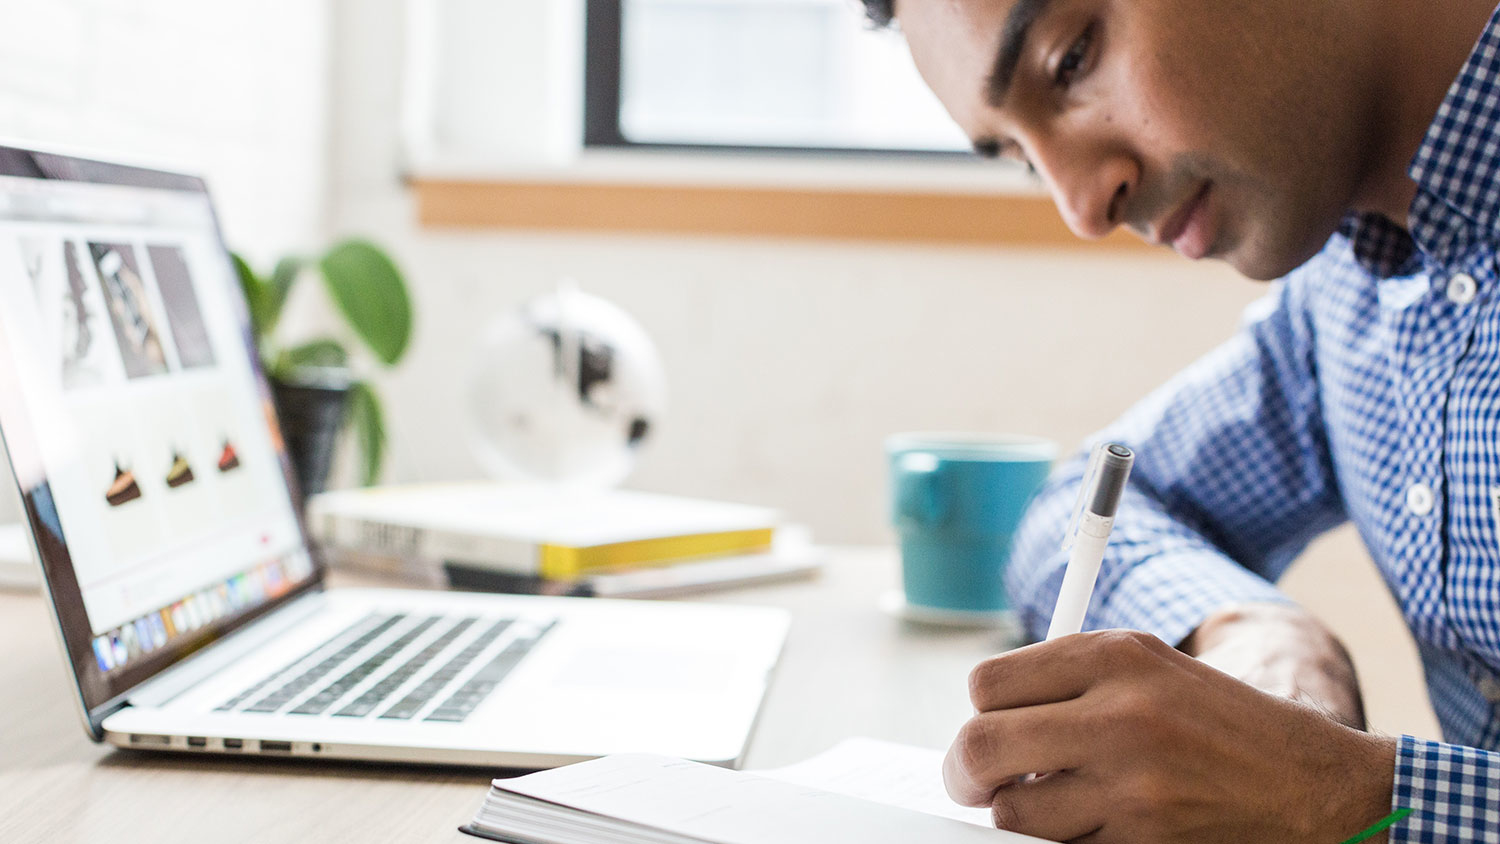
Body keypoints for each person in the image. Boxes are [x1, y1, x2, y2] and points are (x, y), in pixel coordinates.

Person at [857, 0, 1500, 841]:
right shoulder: (1347, 294)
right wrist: (1258, 635)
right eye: (1021, 157)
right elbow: (1078, 510)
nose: (1083, 208)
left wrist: (1343, 794)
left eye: (1071, 60)